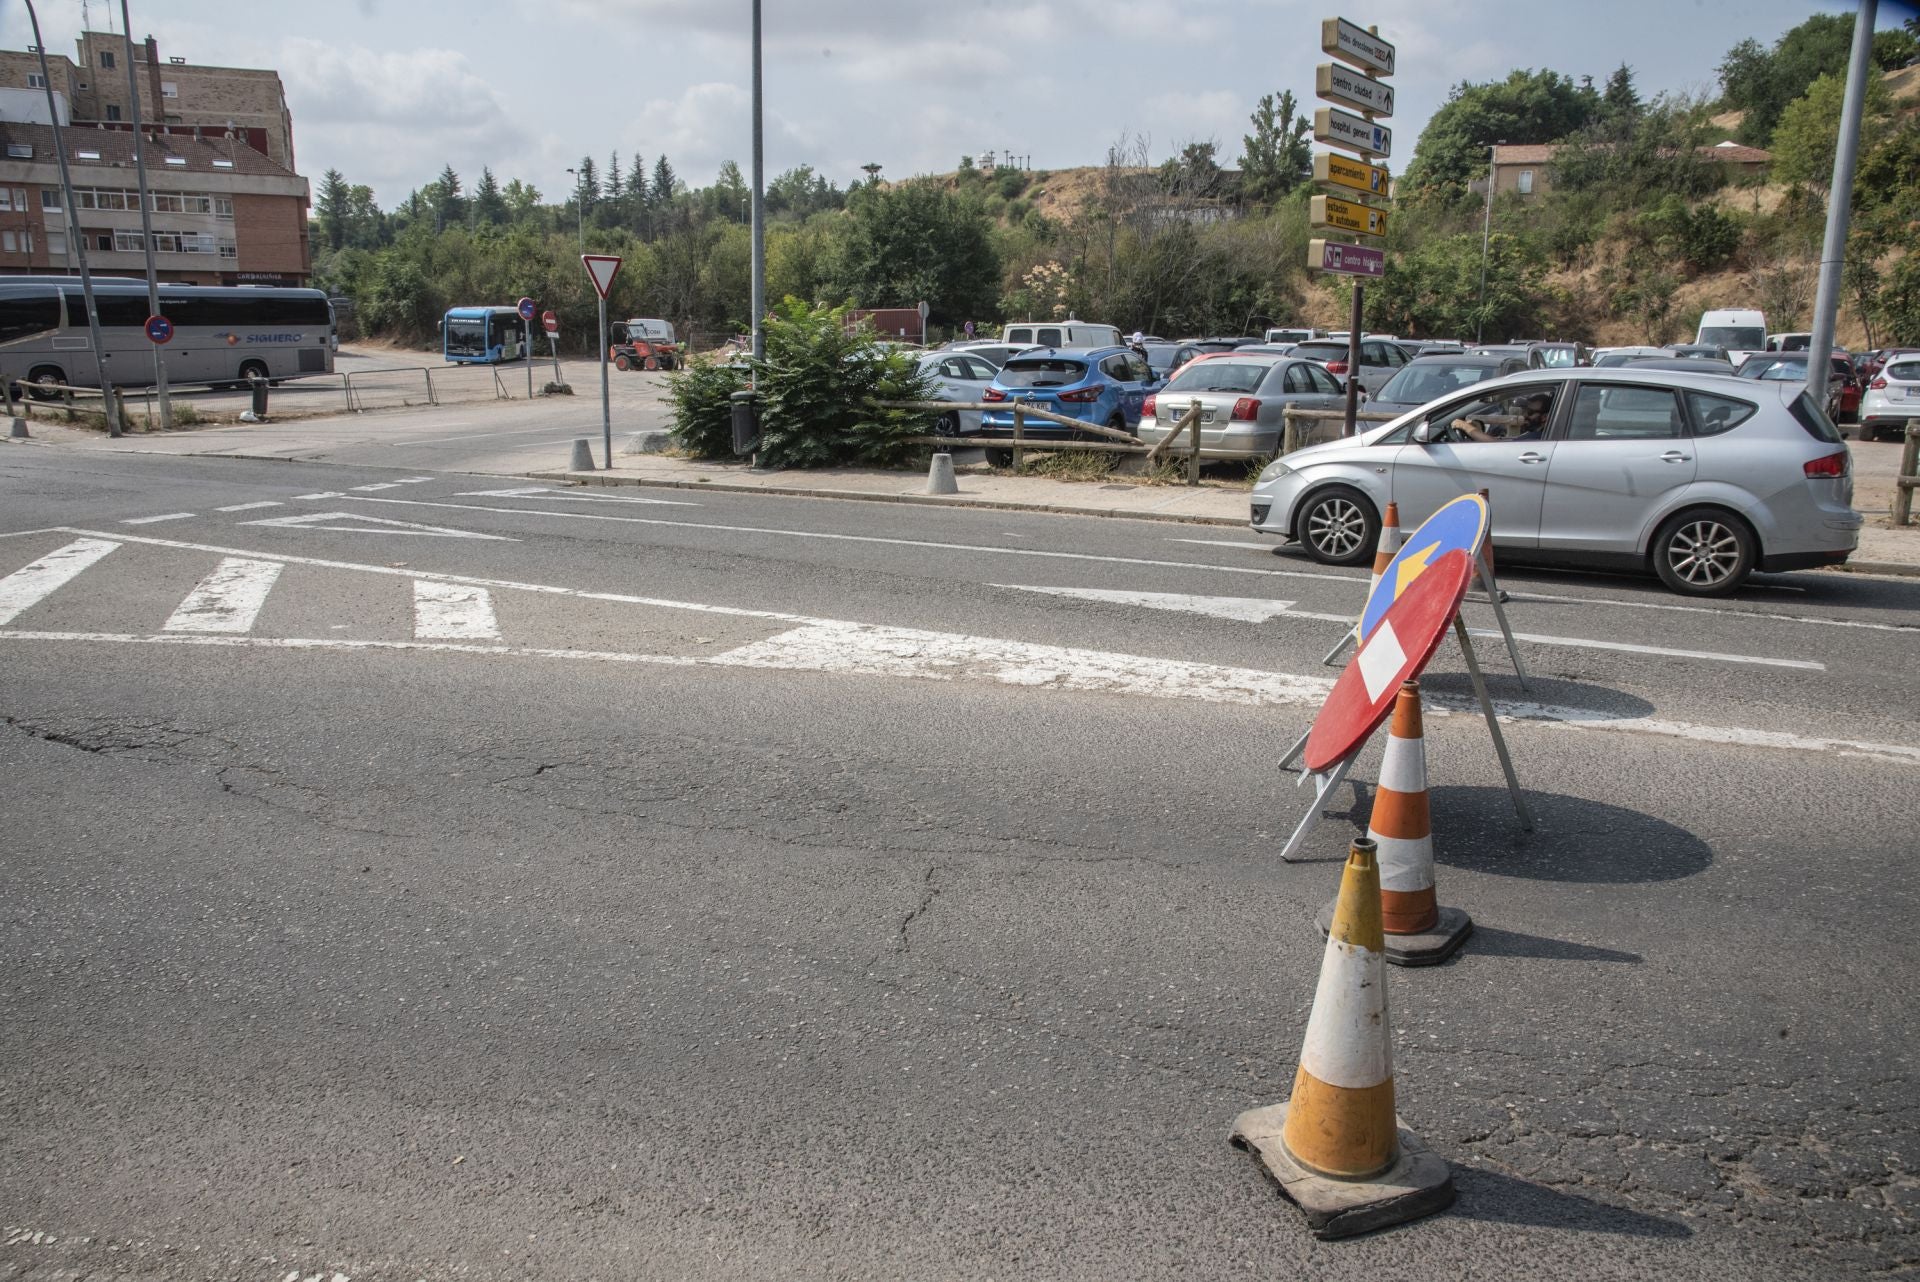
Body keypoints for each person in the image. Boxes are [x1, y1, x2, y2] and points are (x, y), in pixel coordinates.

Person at [1453, 392, 1551, 442]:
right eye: (1525, 410)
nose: (1525, 415)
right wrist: (1478, 431)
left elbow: (1495, 446)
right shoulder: (1542, 435)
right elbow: (1506, 443)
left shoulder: (1537, 438)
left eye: (1530, 412)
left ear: (1545, 417)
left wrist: (1464, 426)